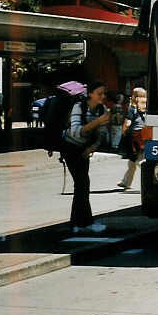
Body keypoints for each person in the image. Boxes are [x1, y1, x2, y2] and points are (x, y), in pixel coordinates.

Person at [62, 80, 111, 233]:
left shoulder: (102, 109)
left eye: (104, 93)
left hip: (83, 149)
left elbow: (101, 134)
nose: (102, 96)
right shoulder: (79, 107)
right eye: (99, 93)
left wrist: (92, 147)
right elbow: (77, 131)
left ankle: (80, 223)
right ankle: (81, 223)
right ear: (90, 94)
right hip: (70, 147)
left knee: (83, 184)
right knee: (82, 183)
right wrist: (99, 121)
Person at [118, 87, 147, 190]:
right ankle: (126, 182)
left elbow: (128, 123)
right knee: (132, 160)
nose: (131, 97)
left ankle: (151, 176)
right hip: (144, 134)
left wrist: (124, 131)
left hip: (134, 135)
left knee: (138, 160)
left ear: (135, 97)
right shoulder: (145, 107)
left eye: (133, 95)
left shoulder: (132, 108)